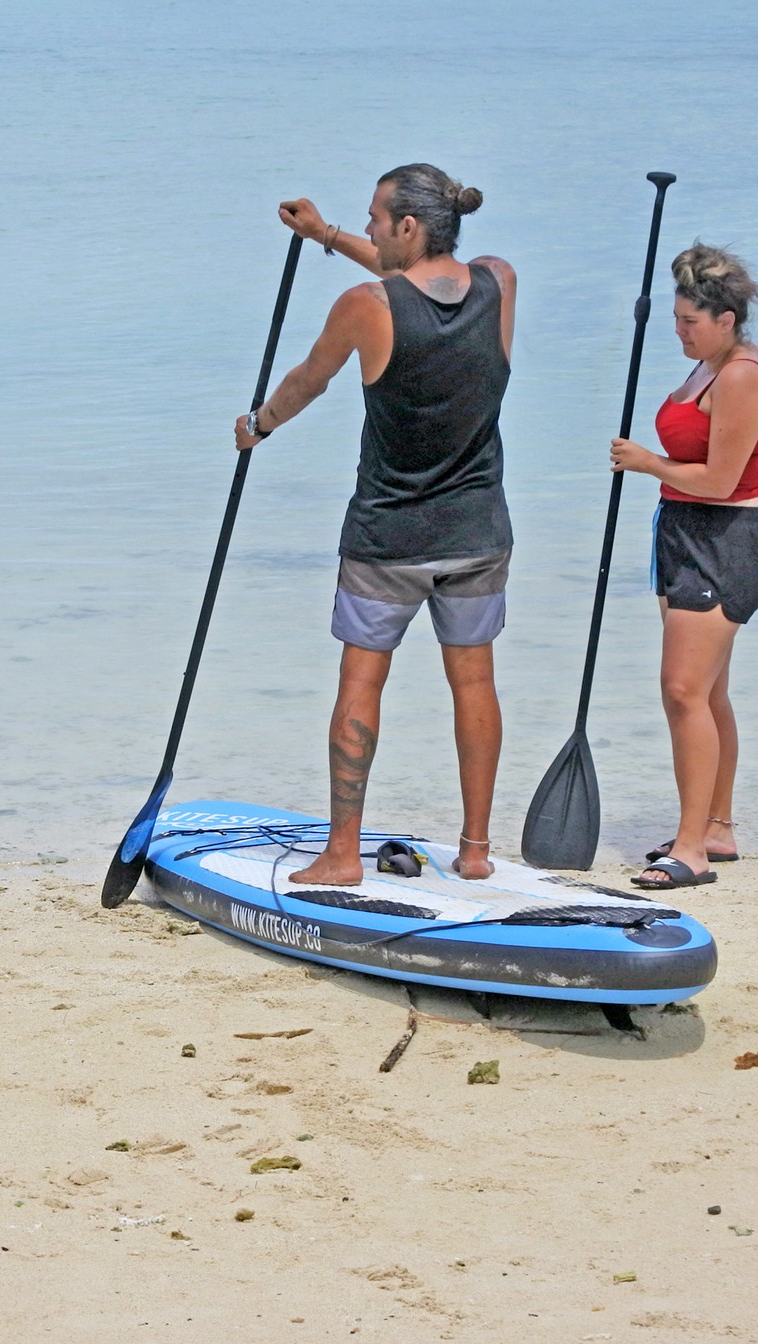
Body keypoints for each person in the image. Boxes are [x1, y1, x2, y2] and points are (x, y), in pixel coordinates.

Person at [233, 164, 517, 885]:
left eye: (374, 219)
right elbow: (418, 281)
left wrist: (258, 425)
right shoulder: (499, 282)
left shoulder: (365, 305)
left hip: (388, 537)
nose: (367, 229)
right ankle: (476, 851)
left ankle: (341, 855)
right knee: (475, 683)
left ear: (408, 227)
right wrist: (324, 234)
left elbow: (307, 380)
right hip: (478, 532)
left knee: (361, 684)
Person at [609, 245, 758, 890]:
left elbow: (719, 479)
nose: (679, 332)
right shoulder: (722, 364)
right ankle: (717, 827)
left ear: (728, 319)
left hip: (728, 535)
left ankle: (690, 852)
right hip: (686, 534)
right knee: (707, 692)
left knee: (682, 691)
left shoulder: (739, 377)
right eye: (676, 319)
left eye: (690, 321)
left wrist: (647, 462)